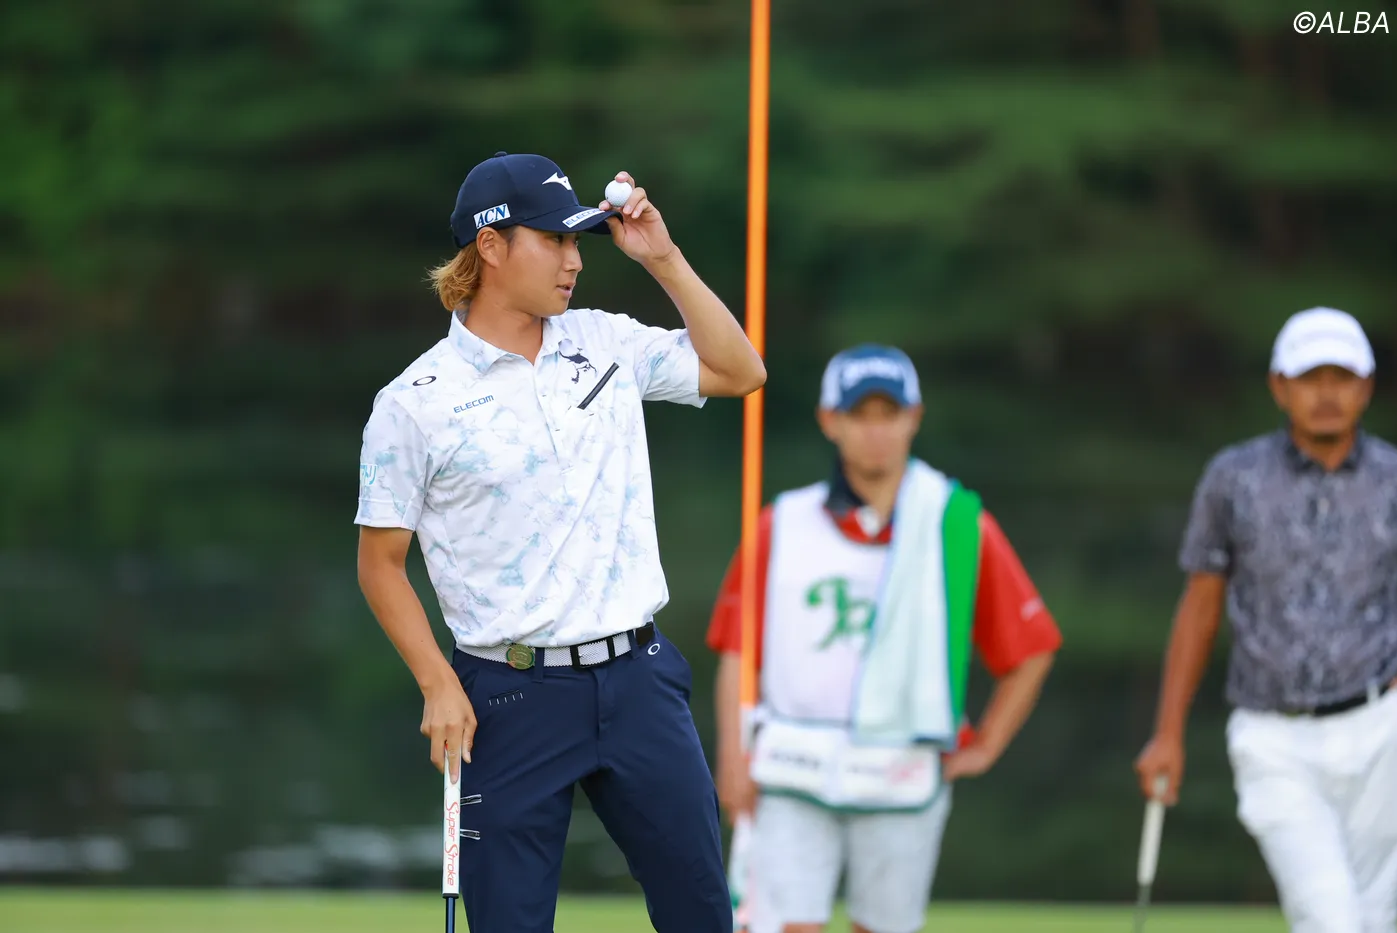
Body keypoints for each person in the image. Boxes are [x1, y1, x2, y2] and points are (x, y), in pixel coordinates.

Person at [354, 151, 766, 933]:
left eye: (578, 241)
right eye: (554, 240)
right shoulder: (413, 403)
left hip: (640, 682)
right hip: (508, 698)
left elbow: (740, 370)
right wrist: (437, 683)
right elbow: (381, 566)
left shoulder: (604, 340)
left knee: (703, 916)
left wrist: (664, 259)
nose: (574, 260)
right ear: (491, 246)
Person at [705, 345, 1062, 933]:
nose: (876, 432)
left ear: (913, 418)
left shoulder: (956, 523)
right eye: (859, 415)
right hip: (791, 769)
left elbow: (1032, 648)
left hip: (900, 772)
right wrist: (731, 755)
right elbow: (738, 650)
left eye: (889, 414)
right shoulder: (782, 523)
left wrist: (987, 745)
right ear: (830, 421)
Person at [1135, 307, 1397, 933]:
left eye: (1342, 378)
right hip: (1272, 737)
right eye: (1310, 378)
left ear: (1366, 387)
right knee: (1330, 917)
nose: (1327, 394)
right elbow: (1200, 606)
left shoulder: (1395, 479)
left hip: (1381, 729)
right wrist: (1167, 733)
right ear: (1279, 387)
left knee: (1374, 918)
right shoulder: (1234, 479)